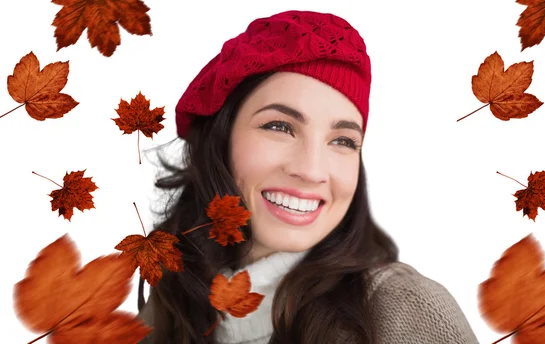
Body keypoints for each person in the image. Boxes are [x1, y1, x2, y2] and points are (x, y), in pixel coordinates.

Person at [136, 10, 479, 344]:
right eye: (280, 127)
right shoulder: (170, 303)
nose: (312, 170)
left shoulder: (404, 305)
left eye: (343, 141)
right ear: (221, 140)